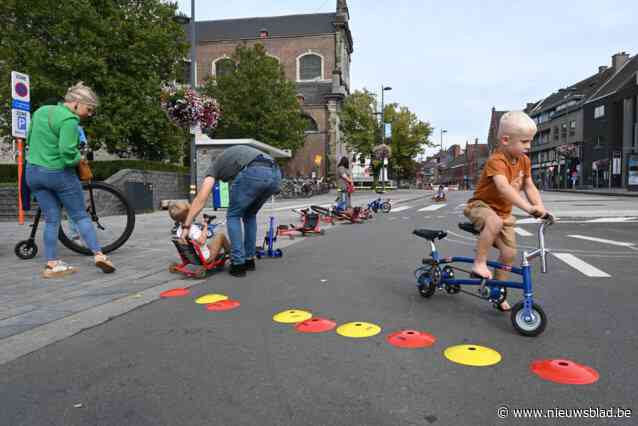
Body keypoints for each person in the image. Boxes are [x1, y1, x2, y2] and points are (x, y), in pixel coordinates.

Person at [25, 82, 115, 278]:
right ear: (76, 103)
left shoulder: (41, 111)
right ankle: (99, 255)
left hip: (33, 173)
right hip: (58, 174)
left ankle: (52, 264)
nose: (89, 114)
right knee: (80, 216)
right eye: (88, 109)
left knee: (51, 220)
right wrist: (79, 158)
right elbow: (67, 154)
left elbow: (29, 138)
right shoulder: (69, 120)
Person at [463, 111, 549, 311]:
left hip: (503, 213)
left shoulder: (524, 161)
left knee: (509, 253)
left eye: (531, 141)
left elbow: (529, 186)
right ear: (505, 140)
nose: (529, 146)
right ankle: (479, 263)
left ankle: (498, 292)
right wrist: (527, 208)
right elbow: (503, 187)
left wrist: (541, 208)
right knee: (494, 222)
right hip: (480, 206)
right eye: (525, 141)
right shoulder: (497, 160)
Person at [181, 145, 281, 277]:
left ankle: (238, 264)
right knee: (250, 215)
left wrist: (186, 226)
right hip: (276, 173)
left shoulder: (214, 168)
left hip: (254, 171)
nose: (224, 181)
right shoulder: (234, 158)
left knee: (233, 215)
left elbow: (201, 198)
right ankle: (249, 260)